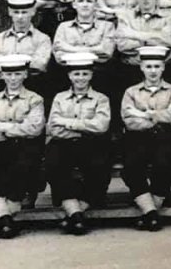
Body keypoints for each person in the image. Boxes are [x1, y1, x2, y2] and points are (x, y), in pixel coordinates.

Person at [0, 54, 45, 239]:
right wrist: (16, 128)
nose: (13, 79)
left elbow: (34, 128)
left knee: (21, 171)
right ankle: (6, 220)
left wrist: (1, 127)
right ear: (2, 76)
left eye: (18, 74)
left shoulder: (35, 99)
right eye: (9, 75)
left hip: (25, 146)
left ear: (25, 75)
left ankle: (2, 221)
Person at [45, 52, 111, 235]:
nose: (80, 78)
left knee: (99, 168)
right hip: (63, 143)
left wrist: (69, 123)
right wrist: (85, 126)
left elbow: (101, 126)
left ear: (91, 75)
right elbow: (53, 128)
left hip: (92, 144)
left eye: (84, 74)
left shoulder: (101, 99)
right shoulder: (59, 98)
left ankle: (74, 214)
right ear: (69, 76)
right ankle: (77, 215)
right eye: (76, 74)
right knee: (54, 165)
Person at [120, 46, 171, 231]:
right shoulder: (131, 92)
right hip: (137, 138)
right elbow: (129, 120)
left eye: (157, 66)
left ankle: (148, 212)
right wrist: (158, 116)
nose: (153, 71)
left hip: (166, 138)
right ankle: (152, 213)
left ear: (163, 67)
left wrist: (145, 114)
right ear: (141, 67)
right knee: (131, 166)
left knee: (164, 165)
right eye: (148, 67)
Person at [115, 0, 171, 90]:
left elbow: (170, 41)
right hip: (131, 71)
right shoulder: (125, 16)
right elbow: (122, 45)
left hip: (164, 71)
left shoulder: (169, 17)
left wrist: (134, 35)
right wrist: (157, 38)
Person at [0, 0, 52, 95]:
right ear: (10, 12)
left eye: (24, 12)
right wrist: (26, 63)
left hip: (33, 90)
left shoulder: (42, 39)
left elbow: (40, 64)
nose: (20, 17)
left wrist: (4, 63)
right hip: (2, 91)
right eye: (16, 12)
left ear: (32, 12)